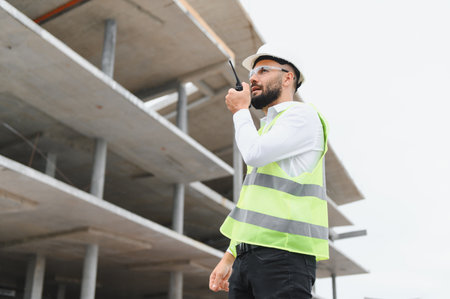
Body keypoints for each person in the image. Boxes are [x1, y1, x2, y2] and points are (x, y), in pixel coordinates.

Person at [209, 44, 330, 298]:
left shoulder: (302, 116)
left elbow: (253, 153)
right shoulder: (266, 131)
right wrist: (230, 257)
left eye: (263, 70)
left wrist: (241, 111)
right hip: (248, 257)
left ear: (288, 77)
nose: (252, 78)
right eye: (253, 72)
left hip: (284, 256)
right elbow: (253, 205)